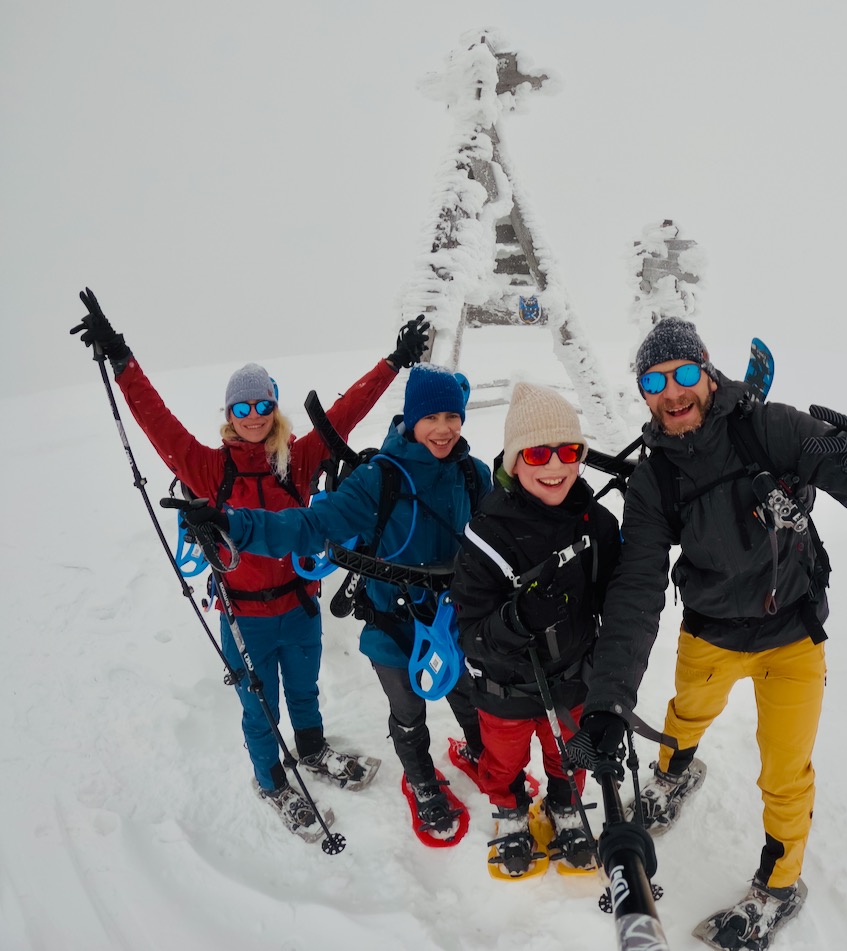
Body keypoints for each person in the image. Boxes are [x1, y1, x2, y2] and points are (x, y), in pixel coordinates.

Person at [566, 318, 847, 949]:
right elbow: (638, 588)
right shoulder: (654, 480)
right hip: (711, 633)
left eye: (682, 374)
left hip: (793, 635)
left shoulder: (772, 428)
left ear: (707, 370)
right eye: (655, 381)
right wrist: (609, 698)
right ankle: (676, 773)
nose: (672, 392)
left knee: (786, 775)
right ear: (644, 394)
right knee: (684, 718)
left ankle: (779, 889)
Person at [71, 287, 428, 841]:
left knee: (305, 692)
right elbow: (157, 422)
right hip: (244, 617)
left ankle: (311, 751)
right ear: (229, 415)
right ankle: (269, 779)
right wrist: (121, 358)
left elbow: (345, 414)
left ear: (273, 409)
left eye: (263, 405)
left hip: (300, 608)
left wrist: (394, 362)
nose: (254, 416)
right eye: (242, 408)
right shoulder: (207, 469)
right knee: (258, 708)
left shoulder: (298, 459)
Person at [182, 364, 491, 844]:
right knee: (406, 711)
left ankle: (480, 753)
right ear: (412, 418)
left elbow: (498, 538)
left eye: (453, 415)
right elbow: (306, 525)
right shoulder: (379, 480)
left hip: (448, 622)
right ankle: (419, 779)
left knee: (465, 693)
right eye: (432, 416)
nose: (445, 427)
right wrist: (233, 525)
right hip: (390, 622)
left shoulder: (474, 476)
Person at [449, 383, 622, 878]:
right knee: (502, 762)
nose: (555, 466)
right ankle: (509, 811)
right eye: (538, 452)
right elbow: (472, 633)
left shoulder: (597, 525)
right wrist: (519, 619)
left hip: (572, 682)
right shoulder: (486, 534)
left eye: (569, 451)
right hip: (504, 691)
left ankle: (564, 803)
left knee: (570, 754)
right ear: (513, 461)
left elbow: (621, 594)